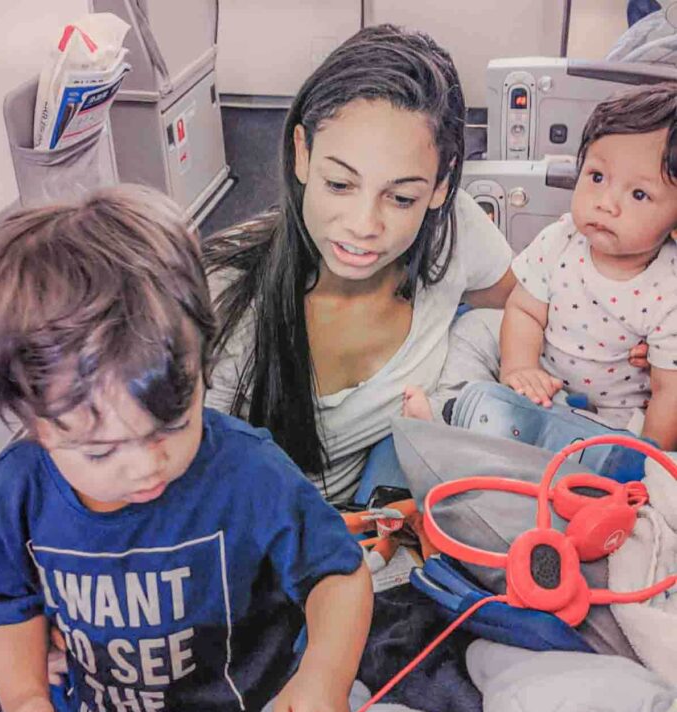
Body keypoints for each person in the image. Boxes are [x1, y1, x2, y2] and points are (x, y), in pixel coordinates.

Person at [0, 186, 372, 712]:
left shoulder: (248, 472)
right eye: (101, 448)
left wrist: (322, 679)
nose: (146, 466)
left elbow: (338, 576)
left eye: (173, 421)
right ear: (33, 421)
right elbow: (10, 604)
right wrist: (23, 698)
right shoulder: (17, 491)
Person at [203, 23, 517, 504]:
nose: (363, 225)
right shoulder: (226, 298)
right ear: (302, 154)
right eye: (340, 185)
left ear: (439, 187)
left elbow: (520, 307)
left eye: (401, 197)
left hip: (378, 523)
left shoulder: (453, 231)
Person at [498, 84, 677, 451]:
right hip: (541, 391)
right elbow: (523, 310)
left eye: (638, 194)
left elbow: (668, 390)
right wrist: (519, 368)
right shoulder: (560, 239)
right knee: (473, 329)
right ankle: (446, 408)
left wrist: (647, 455)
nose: (606, 204)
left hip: (614, 421)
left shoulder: (669, 288)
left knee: (601, 456)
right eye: (597, 177)